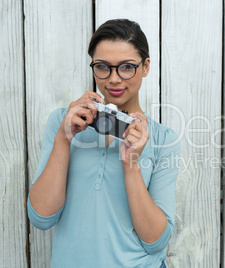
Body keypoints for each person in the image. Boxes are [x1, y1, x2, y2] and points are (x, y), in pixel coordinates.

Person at [27, 19, 180, 268]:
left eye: (127, 67)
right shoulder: (62, 122)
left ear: (146, 66)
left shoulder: (163, 139)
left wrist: (131, 164)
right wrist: (63, 140)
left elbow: (155, 241)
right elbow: (41, 218)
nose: (114, 79)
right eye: (102, 67)